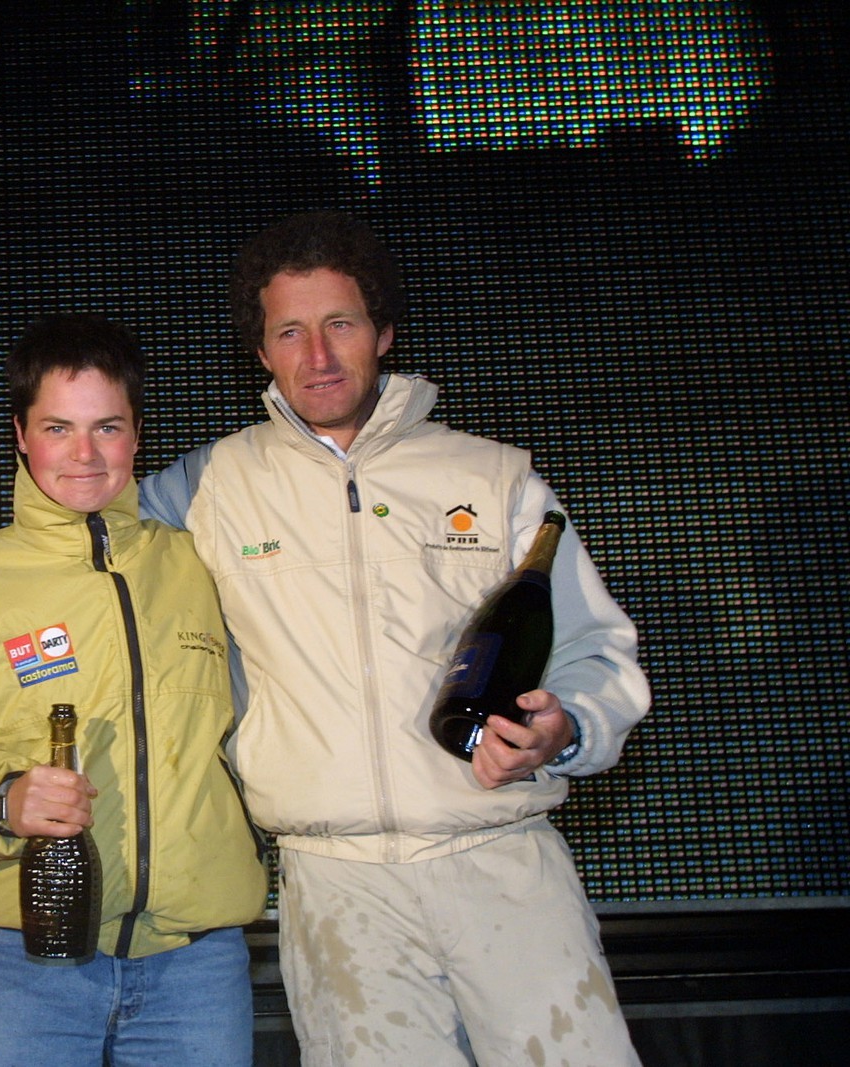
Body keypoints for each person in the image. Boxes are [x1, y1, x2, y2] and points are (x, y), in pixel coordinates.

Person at [140, 212, 651, 1066]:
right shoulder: (213, 485)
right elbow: (68, 525)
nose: (318, 355)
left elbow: (596, 653)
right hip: (335, 883)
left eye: (340, 324)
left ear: (383, 332)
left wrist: (566, 730)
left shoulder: (495, 477)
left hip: (503, 860)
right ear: (259, 352)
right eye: (289, 332)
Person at [0, 314, 267, 1065]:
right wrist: (2, 799)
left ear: (136, 434)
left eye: (107, 427)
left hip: (196, 964)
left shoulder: (199, 566)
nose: (84, 454)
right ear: (20, 434)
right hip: (28, 962)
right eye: (58, 427)